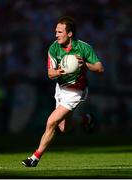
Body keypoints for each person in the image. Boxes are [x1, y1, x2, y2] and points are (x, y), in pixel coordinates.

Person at [22, 16, 104, 167]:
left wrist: (84, 64)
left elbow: (100, 68)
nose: (56, 35)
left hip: (75, 91)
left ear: (70, 33)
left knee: (51, 121)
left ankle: (35, 157)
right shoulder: (53, 48)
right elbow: (50, 74)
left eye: (60, 32)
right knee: (63, 127)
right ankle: (85, 120)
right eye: (56, 32)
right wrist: (60, 72)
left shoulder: (84, 48)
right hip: (60, 89)